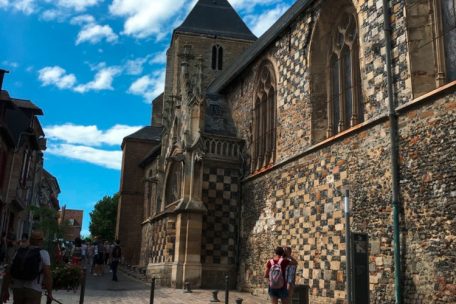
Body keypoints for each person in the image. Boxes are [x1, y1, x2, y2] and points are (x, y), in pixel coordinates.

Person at [1, 230, 53, 304]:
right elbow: (48, 275)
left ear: (30, 240)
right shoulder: (43, 253)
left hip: (17, 288)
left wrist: (5, 290)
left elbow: (8, 271)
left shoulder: (19, 252)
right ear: (41, 241)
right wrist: (49, 293)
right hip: (34, 289)